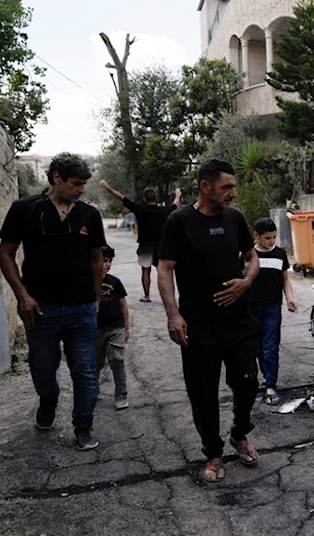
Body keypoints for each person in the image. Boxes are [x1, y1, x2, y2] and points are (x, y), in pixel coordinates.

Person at [157, 159, 261, 483]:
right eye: (226, 187)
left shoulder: (235, 218)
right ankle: (213, 452)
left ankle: (239, 433)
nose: (233, 193)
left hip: (237, 319)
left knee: (247, 382)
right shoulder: (179, 221)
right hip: (198, 323)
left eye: (233, 186)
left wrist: (246, 282)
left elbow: (252, 257)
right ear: (205, 187)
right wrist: (173, 315)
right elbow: (164, 269)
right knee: (203, 394)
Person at [0, 152, 106, 451]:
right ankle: (48, 401)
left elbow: (97, 260)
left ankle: (83, 425)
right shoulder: (25, 209)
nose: (81, 189)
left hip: (81, 308)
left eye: (84, 184)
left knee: (84, 370)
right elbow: (5, 253)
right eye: (76, 183)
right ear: (56, 178)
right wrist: (23, 295)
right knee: (43, 367)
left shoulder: (89, 214)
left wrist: (95, 298)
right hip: (40, 309)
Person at [99, 180, 182, 303]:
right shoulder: (164, 211)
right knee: (163, 272)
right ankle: (168, 298)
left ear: (144, 199)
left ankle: (147, 296)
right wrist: (178, 195)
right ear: (156, 198)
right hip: (161, 246)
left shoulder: (140, 209)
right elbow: (176, 204)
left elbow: (121, 197)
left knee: (145, 271)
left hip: (145, 246)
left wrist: (107, 187)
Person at [248, 217, 298, 405]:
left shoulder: (279, 254)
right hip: (251, 308)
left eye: (274, 237)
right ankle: (264, 378)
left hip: (272, 308)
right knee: (257, 347)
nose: (271, 242)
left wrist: (290, 298)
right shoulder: (249, 255)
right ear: (256, 235)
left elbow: (285, 279)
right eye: (267, 238)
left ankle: (271, 385)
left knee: (270, 347)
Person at [96, 245, 130, 410]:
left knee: (117, 360)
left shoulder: (114, 282)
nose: (108, 264)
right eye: (104, 261)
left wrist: (126, 328)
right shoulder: (88, 282)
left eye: (110, 261)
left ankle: (121, 394)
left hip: (115, 327)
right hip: (95, 330)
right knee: (95, 363)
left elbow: (123, 306)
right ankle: (93, 389)